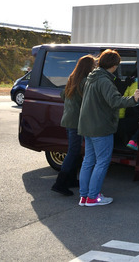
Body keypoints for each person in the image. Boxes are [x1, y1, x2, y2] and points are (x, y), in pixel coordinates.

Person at [77, 49, 139, 207]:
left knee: (88, 161)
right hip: (101, 127)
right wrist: (134, 99)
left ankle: (84, 196)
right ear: (114, 65)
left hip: (87, 126)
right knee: (102, 162)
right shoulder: (104, 81)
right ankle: (93, 197)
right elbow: (115, 101)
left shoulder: (91, 78)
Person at [51, 54, 96, 196]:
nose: (95, 67)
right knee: (72, 152)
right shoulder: (84, 82)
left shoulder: (72, 79)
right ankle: (59, 183)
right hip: (76, 122)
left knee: (75, 151)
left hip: (68, 119)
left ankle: (71, 180)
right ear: (88, 67)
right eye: (94, 65)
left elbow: (62, 95)